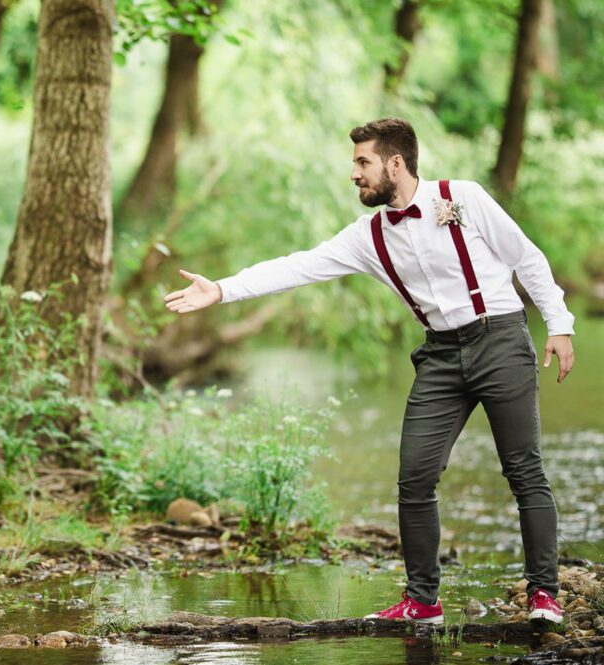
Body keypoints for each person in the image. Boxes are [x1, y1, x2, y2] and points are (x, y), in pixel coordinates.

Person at [164, 117, 574, 626]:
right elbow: (298, 265)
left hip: (501, 340)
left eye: (363, 162)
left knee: (524, 471)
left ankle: (544, 595)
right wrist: (223, 289)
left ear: (395, 163)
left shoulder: (462, 197)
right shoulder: (369, 237)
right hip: (440, 356)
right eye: (355, 162)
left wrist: (559, 325)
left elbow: (527, 258)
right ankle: (423, 602)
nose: (354, 173)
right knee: (414, 478)